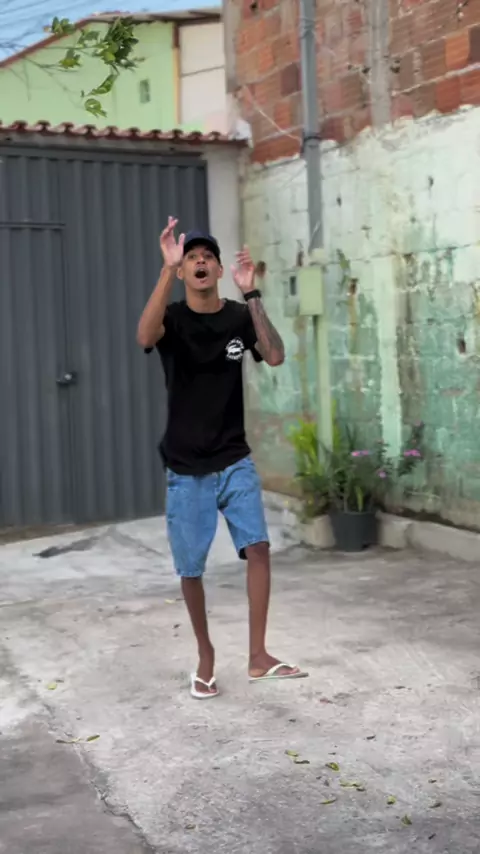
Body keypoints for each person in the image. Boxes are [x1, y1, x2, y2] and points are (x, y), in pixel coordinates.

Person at [137, 217, 308, 699]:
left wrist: (252, 294)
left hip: (234, 457)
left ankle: (258, 656)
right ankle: (205, 655)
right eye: (192, 257)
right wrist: (166, 268)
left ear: (217, 270)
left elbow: (274, 355)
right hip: (186, 465)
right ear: (184, 270)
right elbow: (145, 337)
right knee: (191, 569)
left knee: (258, 548)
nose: (200, 262)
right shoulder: (173, 318)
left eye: (207, 257)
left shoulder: (237, 316)